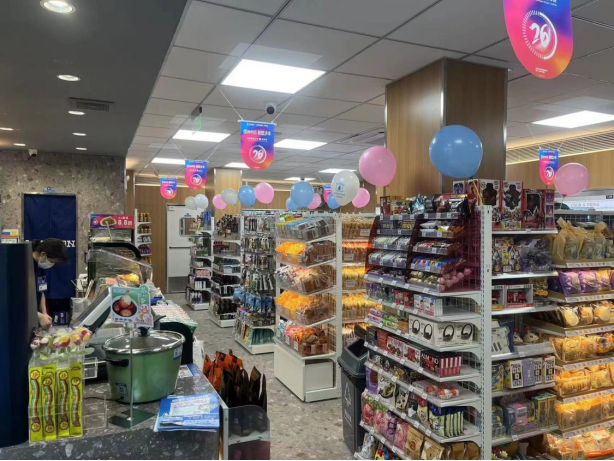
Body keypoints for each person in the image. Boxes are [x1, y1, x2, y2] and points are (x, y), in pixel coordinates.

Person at [32, 238, 68, 329]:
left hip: (34, 314)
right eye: (52, 262)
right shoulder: (24, 265)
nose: (51, 265)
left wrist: (44, 312)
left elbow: (41, 290)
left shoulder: (40, 267)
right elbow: (18, 300)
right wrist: (39, 316)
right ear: (43, 255)